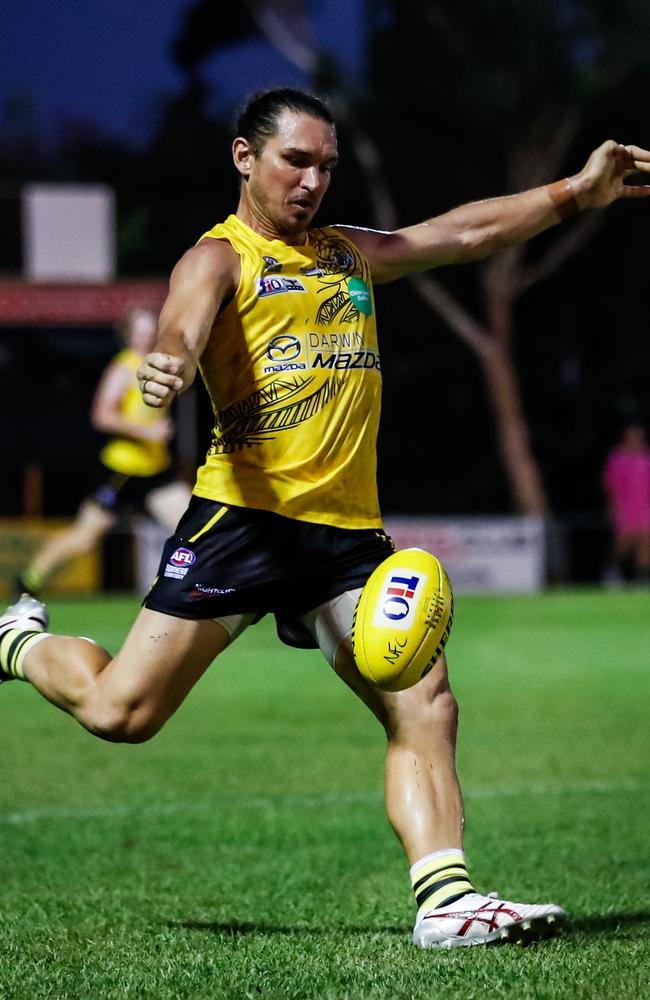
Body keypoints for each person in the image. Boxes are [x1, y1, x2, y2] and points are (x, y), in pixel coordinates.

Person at [2, 89, 650, 949]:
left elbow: (462, 232)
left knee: (425, 701)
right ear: (245, 158)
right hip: (242, 526)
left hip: (346, 541)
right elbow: (184, 323)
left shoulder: (346, 255)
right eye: (295, 162)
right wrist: (166, 363)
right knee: (123, 713)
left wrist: (575, 190)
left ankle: (446, 902)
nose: (313, 181)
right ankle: (17, 639)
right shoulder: (219, 257)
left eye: (327, 166)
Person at [13, 307, 192, 600]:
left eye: (152, 330)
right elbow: (102, 416)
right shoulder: (122, 368)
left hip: (156, 469)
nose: (148, 336)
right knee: (85, 538)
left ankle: (191, 591)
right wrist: (146, 432)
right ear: (129, 336)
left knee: (192, 527)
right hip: (121, 471)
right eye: (142, 331)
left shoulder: (157, 365)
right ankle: (29, 580)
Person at [602, 422, 650, 584]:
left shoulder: (646, 457)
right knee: (624, 542)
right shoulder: (617, 457)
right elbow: (611, 486)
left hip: (645, 506)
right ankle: (611, 570)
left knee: (646, 540)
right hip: (625, 507)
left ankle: (642, 576)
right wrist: (613, 509)